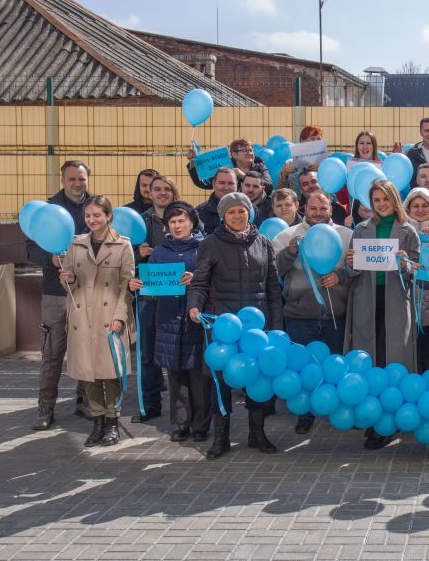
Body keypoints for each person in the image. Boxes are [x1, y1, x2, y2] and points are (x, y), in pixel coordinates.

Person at [187, 192, 284, 460]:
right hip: (224, 325)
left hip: (256, 326)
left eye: (242, 211)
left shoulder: (264, 243)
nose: (238, 216)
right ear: (223, 216)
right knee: (222, 383)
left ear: (250, 213)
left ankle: (257, 433)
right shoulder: (210, 244)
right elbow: (200, 283)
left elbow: (274, 289)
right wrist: (194, 306)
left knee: (257, 379)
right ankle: (221, 438)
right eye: (232, 212)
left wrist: (276, 326)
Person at [345, 181, 419, 450]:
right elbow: (350, 271)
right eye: (376, 200)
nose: (381, 204)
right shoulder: (361, 230)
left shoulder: (408, 231)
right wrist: (351, 264)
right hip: (367, 301)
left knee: (394, 358)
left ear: (394, 200)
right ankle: (372, 415)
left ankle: (393, 417)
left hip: (396, 303)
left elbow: (416, 272)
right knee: (370, 358)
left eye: (385, 199)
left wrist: (406, 265)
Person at [128, 201, 208, 442]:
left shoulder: (205, 247)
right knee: (175, 375)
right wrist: (136, 285)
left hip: (195, 319)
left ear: (192, 222)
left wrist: (196, 278)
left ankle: (201, 425)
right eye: (172, 222)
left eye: (181, 220)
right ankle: (180, 424)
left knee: (199, 375)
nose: (177, 225)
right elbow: (150, 287)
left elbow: (214, 277)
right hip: (168, 319)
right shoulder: (160, 252)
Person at [273, 192, 352, 434]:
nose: (318, 212)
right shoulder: (287, 236)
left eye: (323, 208)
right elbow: (274, 269)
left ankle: (333, 410)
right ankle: (304, 414)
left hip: (335, 314)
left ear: (331, 208)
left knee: (334, 365)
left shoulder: (348, 235)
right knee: (303, 367)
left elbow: (358, 267)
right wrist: (290, 252)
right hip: (300, 315)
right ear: (304, 208)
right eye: (313, 208)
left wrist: (341, 276)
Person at [59, 195, 134, 447]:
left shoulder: (123, 245)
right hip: (83, 317)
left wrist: (120, 317)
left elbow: (127, 285)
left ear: (108, 216)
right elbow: (69, 280)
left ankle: (113, 423)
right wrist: (68, 279)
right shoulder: (75, 244)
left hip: (109, 317)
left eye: (97, 215)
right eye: (88, 215)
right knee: (89, 374)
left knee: (111, 373)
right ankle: (97, 422)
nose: (92, 220)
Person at [28, 160, 93, 430]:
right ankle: (46, 407)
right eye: (72, 179)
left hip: (88, 291)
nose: (77, 184)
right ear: (63, 179)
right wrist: (51, 259)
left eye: (81, 179)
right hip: (55, 294)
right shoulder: (47, 210)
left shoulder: (97, 207)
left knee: (87, 351)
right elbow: (31, 250)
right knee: (52, 354)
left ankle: (85, 400)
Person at [130, 174, 179, 424]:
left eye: (167, 189)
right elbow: (123, 260)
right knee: (147, 352)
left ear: (173, 192)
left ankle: (181, 408)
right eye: (157, 189)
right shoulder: (140, 221)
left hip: (177, 297)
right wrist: (137, 255)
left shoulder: (185, 218)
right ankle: (150, 405)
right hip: (148, 295)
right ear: (148, 192)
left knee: (176, 352)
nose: (162, 193)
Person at [403, 187, 429, 372]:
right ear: (407, 209)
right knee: (412, 359)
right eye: (415, 205)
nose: (420, 209)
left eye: (425, 205)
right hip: (408, 307)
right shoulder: (402, 232)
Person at [187, 138, 271, 191]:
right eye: (244, 151)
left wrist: (243, 176)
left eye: (250, 150)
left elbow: (269, 187)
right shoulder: (225, 167)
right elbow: (205, 184)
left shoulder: (260, 165)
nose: (249, 153)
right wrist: (193, 162)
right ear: (234, 155)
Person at [275, 126, 334, 202]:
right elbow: (279, 192)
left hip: (320, 204)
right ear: (302, 141)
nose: (316, 142)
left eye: (319, 139)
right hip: (296, 206)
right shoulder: (289, 163)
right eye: (312, 139)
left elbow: (333, 191)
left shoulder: (326, 163)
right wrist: (284, 175)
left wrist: (322, 171)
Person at [195, 168, 250, 236]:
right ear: (214, 184)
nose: (226, 187)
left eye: (230, 183)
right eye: (222, 183)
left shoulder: (250, 209)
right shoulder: (199, 213)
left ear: (237, 185)